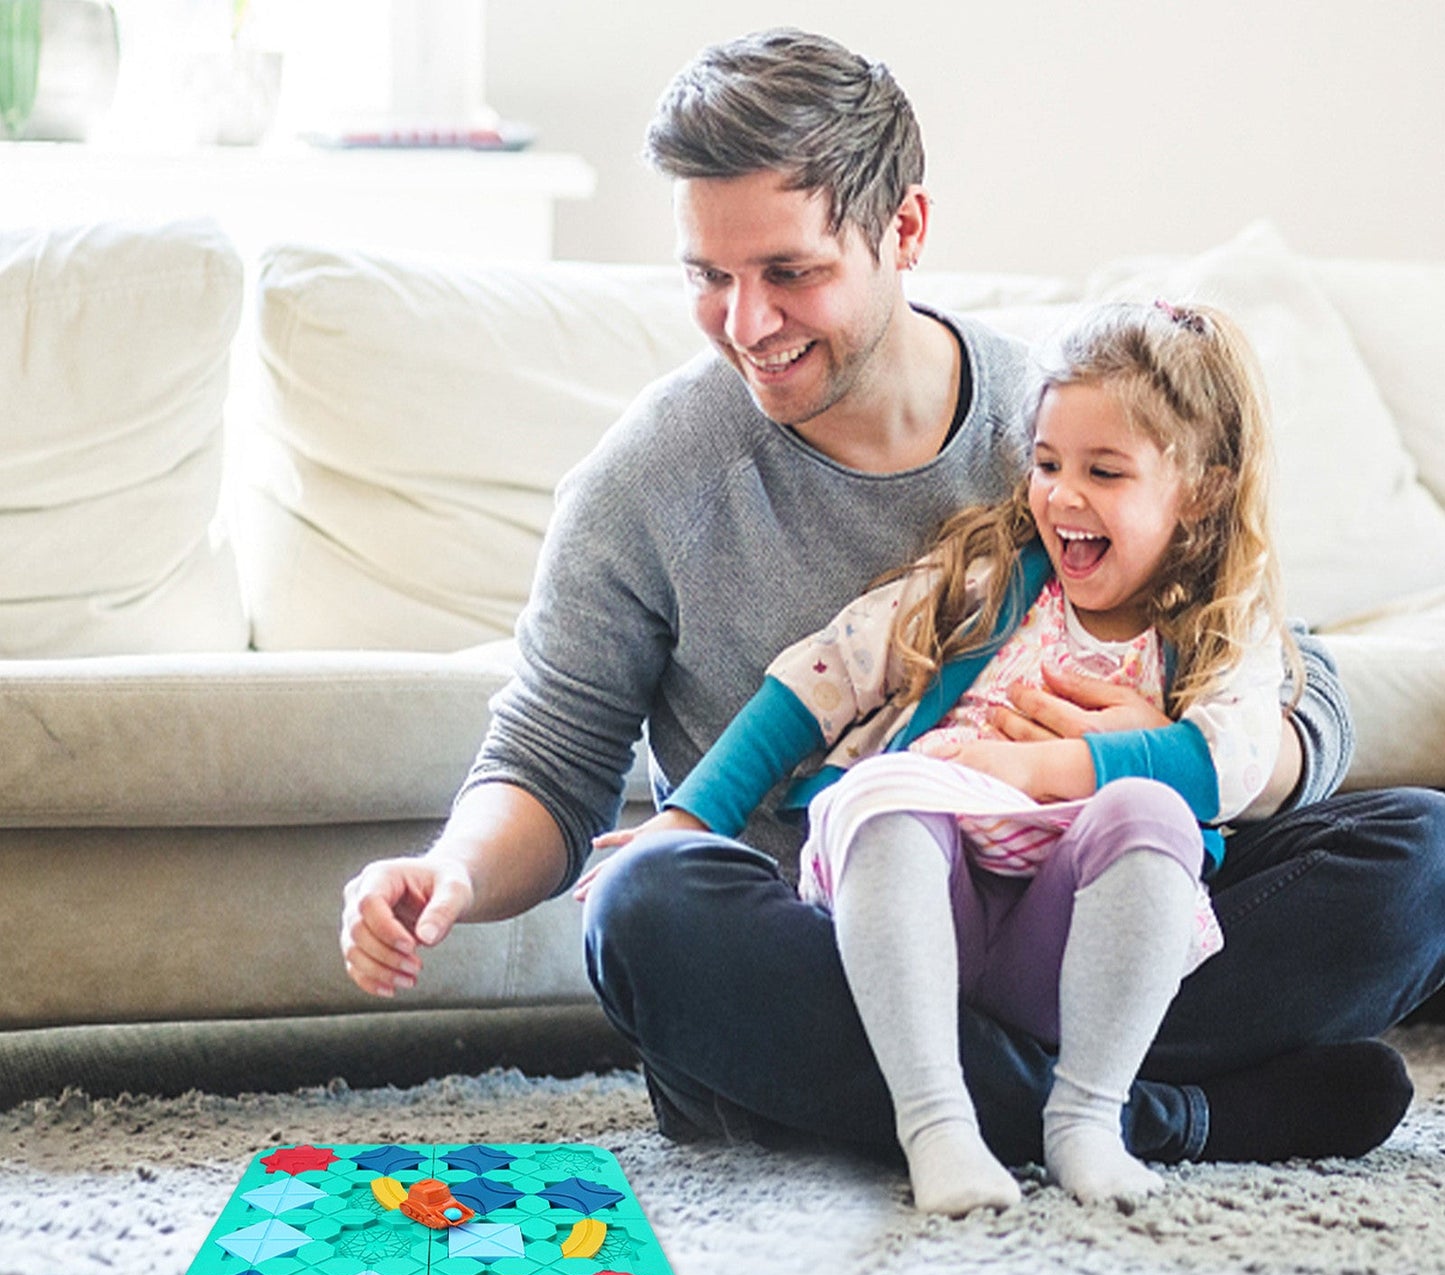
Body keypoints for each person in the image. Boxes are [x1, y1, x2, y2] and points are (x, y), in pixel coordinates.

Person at [340, 29, 1443, 1175]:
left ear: (903, 230)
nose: (745, 323)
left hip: (1095, 895)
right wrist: (454, 872)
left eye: (789, 272)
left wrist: (1158, 758)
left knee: (1420, 854)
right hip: (835, 937)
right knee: (645, 910)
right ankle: (1166, 1114)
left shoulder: (1064, 419)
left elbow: (1286, 669)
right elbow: (546, 760)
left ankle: (942, 1099)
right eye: (707, 277)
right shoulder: (648, 481)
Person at [577, 298, 1300, 1214]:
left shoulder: (1224, 627)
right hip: (919, 915)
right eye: (1046, 464)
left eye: (1104, 472)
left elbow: (1235, 757)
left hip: (1075, 938)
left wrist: (1048, 770)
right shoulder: (987, 578)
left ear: (1199, 487)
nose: (1062, 496)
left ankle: (1087, 1117)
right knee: (873, 799)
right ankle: (938, 1124)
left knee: (1185, 819)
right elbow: (823, 677)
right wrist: (687, 820)